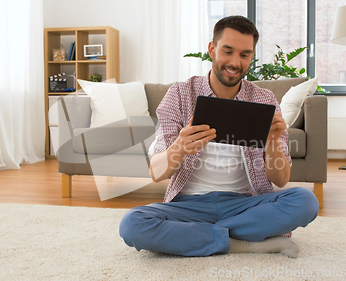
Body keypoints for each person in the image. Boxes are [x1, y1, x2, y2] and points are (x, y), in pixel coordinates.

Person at [119, 15, 318, 258]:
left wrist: (273, 142)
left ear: (251, 57)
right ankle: (245, 242)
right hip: (188, 205)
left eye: (244, 55)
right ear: (212, 49)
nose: (235, 62)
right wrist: (179, 147)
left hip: (244, 204)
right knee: (132, 224)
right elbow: (156, 173)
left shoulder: (264, 100)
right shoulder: (180, 95)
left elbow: (282, 180)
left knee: (306, 201)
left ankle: (197, 237)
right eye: (228, 51)